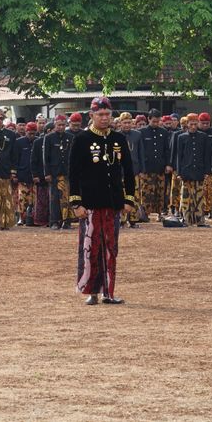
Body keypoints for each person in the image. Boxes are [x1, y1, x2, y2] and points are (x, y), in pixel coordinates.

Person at [69, 97, 135, 306]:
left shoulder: (119, 139)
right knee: (90, 248)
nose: (105, 118)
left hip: (113, 203)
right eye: (100, 115)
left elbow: (129, 171)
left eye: (108, 114)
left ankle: (109, 292)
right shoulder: (81, 140)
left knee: (110, 249)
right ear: (92, 116)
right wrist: (76, 203)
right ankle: (92, 292)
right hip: (89, 204)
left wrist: (129, 199)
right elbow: (73, 174)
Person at [175, 114, 210, 227]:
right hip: (186, 171)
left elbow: (206, 155)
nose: (193, 127)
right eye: (191, 124)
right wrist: (179, 172)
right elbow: (179, 156)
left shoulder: (203, 137)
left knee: (199, 196)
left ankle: (200, 220)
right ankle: (186, 219)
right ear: (187, 124)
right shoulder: (181, 137)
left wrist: (206, 171)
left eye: (195, 124)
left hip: (199, 170)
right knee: (186, 196)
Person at [139, 109, 172, 221]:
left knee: (160, 191)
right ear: (148, 119)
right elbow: (141, 151)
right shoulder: (142, 132)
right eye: (154, 121)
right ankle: (145, 214)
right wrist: (141, 168)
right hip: (147, 168)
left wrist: (168, 164)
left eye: (158, 121)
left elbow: (167, 150)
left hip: (160, 167)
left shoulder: (163, 132)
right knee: (147, 192)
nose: (156, 123)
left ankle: (160, 213)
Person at [44, 114, 74, 230]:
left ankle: (67, 221)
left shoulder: (70, 137)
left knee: (67, 197)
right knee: (54, 198)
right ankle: (54, 221)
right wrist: (47, 173)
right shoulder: (49, 138)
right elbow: (45, 157)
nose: (61, 127)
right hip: (54, 172)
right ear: (55, 125)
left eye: (63, 125)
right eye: (59, 125)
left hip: (67, 172)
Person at [118, 112, 144, 228]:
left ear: (132, 123)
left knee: (135, 195)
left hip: (135, 170)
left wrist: (142, 170)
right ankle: (121, 220)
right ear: (120, 123)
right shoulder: (115, 135)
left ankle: (133, 220)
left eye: (129, 122)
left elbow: (141, 153)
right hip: (120, 171)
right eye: (125, 123)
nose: (127, 125)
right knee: (121, 195)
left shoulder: (137, 135)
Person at [197, 112, 212, 217]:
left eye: (207, 123)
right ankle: (200, 210)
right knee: (200, 191)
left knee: (210, 191)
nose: (205, 125)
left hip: (211, 167)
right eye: (203, 123)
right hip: (198, 167)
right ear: (199, 122)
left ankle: (211, 210)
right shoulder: (195, 133)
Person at [31, 122, 54, 226]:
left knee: (53, 199)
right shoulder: (37, 142)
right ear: (48, 131)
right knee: (41, 199)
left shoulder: (56, 141)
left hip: (53, 174)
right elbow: (33, 160)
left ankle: (52, 219)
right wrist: (35, 175)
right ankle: (41, 220)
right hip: (40, 175)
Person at [15, 122, 37, 225]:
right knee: (22, 198)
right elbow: (15, 159)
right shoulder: (19, 142)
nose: (31, 136)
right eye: (30, 133)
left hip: (35, 176)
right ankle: (21, 217)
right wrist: (15, 174)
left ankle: (32, 217)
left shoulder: (38, 141)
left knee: (34, 198)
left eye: (33, 133)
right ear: (26, 132)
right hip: (22, 174)